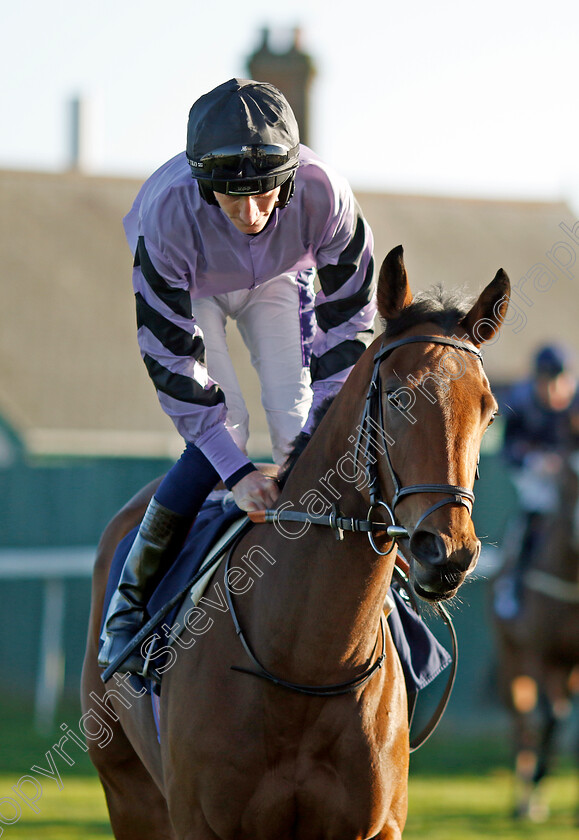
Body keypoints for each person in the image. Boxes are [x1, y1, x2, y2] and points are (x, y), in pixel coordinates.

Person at [98, 78, 376, 675]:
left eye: (264, 194)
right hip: (191, 286)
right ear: (203, 185)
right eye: (229, 197)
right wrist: (235, 469)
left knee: (297, 422)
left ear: (291, 178)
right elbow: (170, 358)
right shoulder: (168, 213)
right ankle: (129, 605)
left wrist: (327, 420)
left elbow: (349, 319)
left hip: (280, 281)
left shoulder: (327, 194)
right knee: (229, 425)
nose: (250, 214)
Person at [494, 343, 579, 618]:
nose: (553, 389)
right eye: (546, 381)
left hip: (571, 470)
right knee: (538, 504)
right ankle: (512, 581)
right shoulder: (520, 401)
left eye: (559, 380)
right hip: (535, 473)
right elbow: (508, 450)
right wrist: (537, 460)